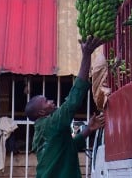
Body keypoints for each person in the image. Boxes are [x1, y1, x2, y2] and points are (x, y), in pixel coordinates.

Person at [25, 36, 106, 178]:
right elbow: (72, 102)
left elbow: (69, 147)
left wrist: (88, 129)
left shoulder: (43, 130)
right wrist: (86, 55)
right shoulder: (51, 124)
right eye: (46, 101)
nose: (51, 101)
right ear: (42, 111)